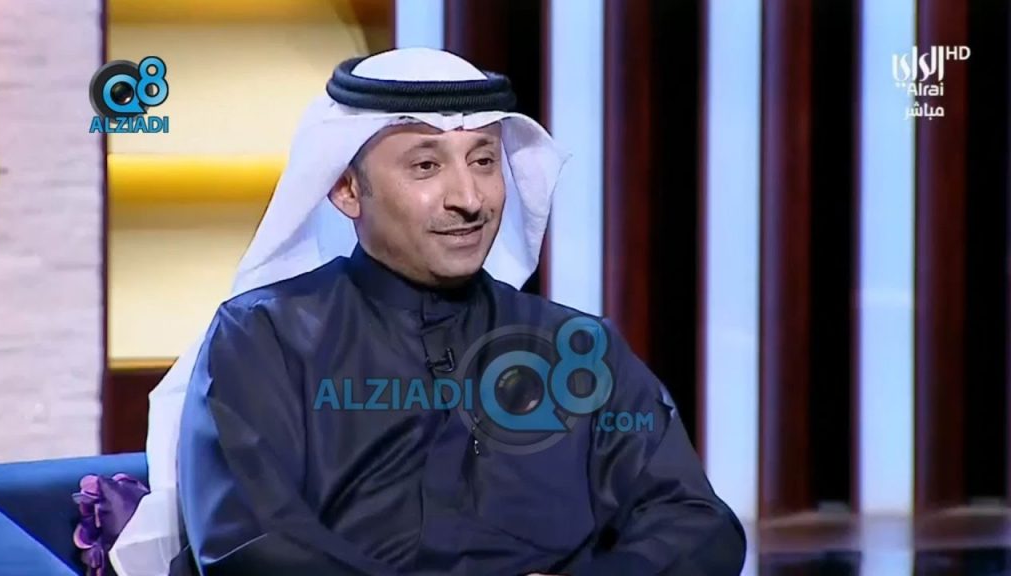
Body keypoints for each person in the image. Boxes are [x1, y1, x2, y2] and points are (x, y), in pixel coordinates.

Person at [110, 48, 746, 576]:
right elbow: (252, 544)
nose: (469, 198)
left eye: (484, 161)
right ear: (347, 189)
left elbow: (697, 524)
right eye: (425, 166)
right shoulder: (264, 339)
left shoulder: (575, 347)